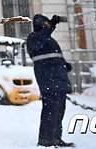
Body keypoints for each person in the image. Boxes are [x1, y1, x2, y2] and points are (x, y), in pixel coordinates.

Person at [27, 14, 74, 147]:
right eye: (46, 24)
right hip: (48, 79)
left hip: (58, 78)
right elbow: (41, 42)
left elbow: (54, 55)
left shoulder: (49, 40)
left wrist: (64, 65)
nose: (49, 26)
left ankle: (56, 138)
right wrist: (51, 25)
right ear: (40, 25)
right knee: (50, 111)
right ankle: (46, 139)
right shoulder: (34, 38)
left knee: (59, 110)